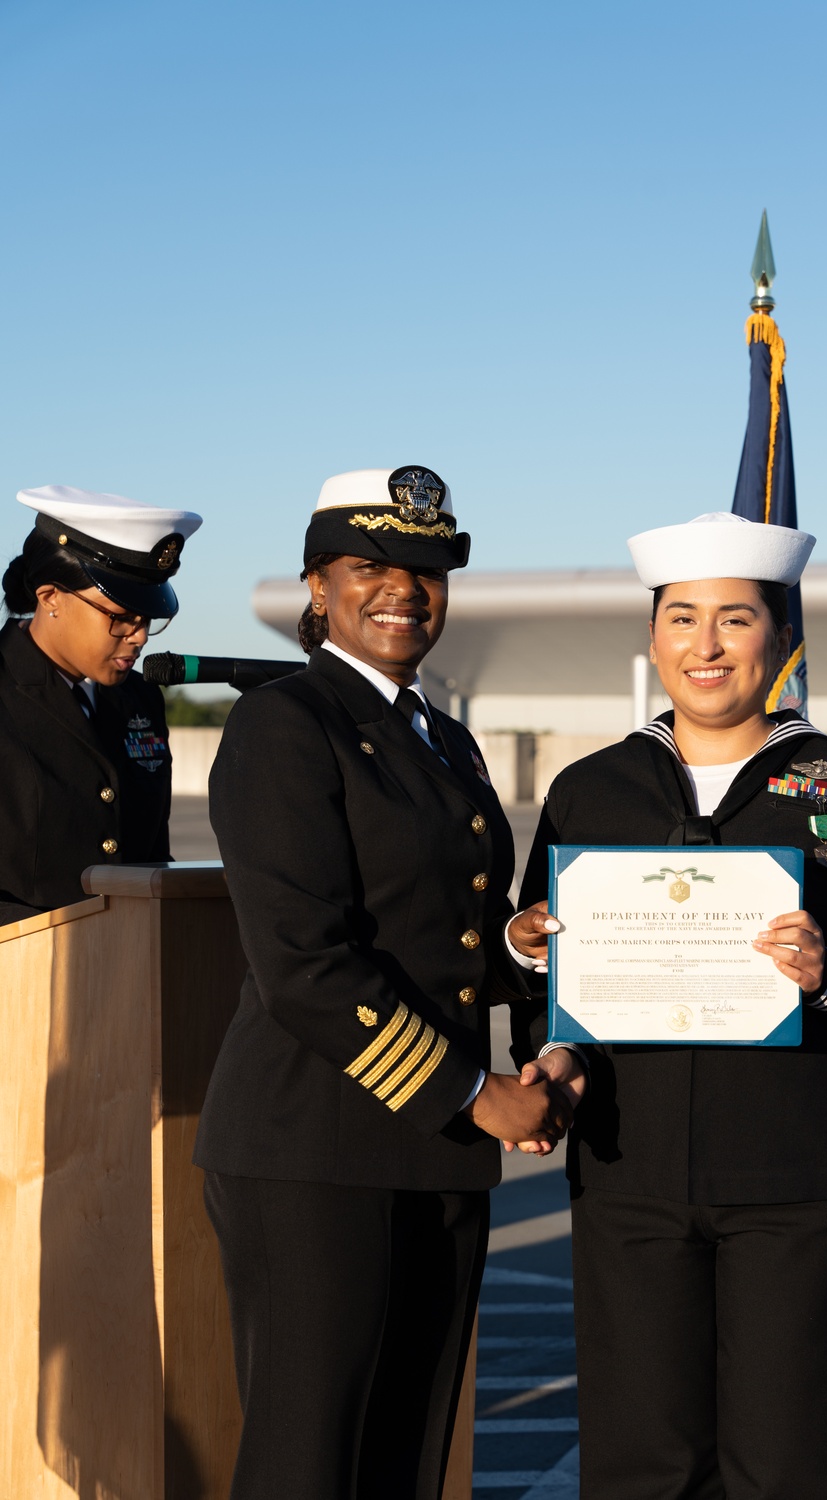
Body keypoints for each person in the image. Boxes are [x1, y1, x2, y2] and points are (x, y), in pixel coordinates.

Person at [508, 511, 827, 1500]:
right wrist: (550, 1038)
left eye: (733, 619)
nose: (703, 647)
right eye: (680, 619)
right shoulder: (593, 790)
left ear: (777, 637)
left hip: (802, 1184)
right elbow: (545, 976)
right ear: (651, 637)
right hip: (630, 1180)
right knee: (640, 1461)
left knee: (799, 1461)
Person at [194, 466, 573, 1500]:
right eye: (371, 567)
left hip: (433, 1151)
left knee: (412, 1449)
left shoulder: (438, 737)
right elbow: (304, 962)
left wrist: (522, 952)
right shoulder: (286, 724)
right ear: (316, 586)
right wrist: (476, 1092)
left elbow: (436, 935)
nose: (404, 590)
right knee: (308, 1454)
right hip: (313, 1147)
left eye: (428, 572)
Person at [0, 484, 202, 928]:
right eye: (119, 616)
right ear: (50, 597)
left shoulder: (139, 697)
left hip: (131, 963)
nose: (139, 636)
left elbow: (151, 858)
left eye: (147, 618)